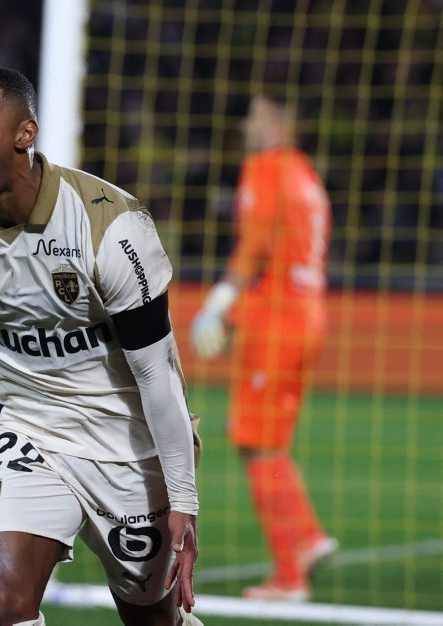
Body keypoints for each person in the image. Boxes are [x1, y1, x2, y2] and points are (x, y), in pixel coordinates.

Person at [0, 65, 203, 626]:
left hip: (125, 443)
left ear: (24, 134)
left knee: (152, 619)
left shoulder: (111, 225)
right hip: (27, 430)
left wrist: (183, 499)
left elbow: (157, 374)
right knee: (4, 604)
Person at [190, 94, 337, 601]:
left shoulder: (266, 168)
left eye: (252, 117)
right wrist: (239, 317)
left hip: (279, 320)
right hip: (305, 312)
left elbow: (253, 248)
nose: (244, 126)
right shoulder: (305, 174)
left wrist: (218, 304)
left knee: (255, 442)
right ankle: (309, 537)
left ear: (276, 123)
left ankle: (289, 576)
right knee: (268, 439)